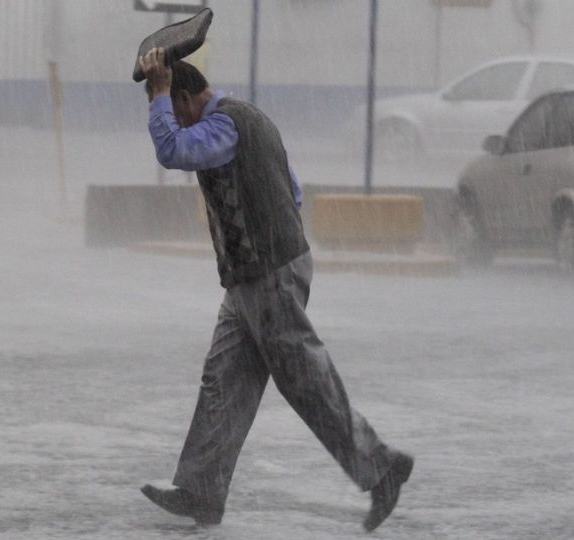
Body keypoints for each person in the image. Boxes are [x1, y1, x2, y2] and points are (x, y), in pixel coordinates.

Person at [137, 47, 413, 532]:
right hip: (253, 275)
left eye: (168, 107)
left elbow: (173, 151)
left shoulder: (225, 125)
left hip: (267, 273)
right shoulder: (249, 120)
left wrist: (156, 92)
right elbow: (294, 189)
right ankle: (202, 490)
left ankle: (381, 468)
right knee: (224, 379)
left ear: (183, 98)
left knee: (306, 381)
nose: (170, 119)